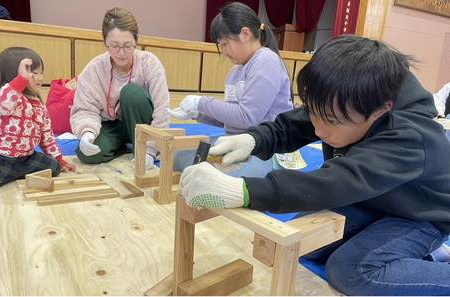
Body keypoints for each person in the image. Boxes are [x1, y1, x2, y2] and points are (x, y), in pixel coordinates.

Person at [179, 35, 450, 295]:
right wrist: (255, 139)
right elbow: (299, 122)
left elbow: (340, 180)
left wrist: (245, 191)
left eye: (332, 121)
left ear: (380, 112)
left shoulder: (410, 136)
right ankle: (404, 251)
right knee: (299, 240)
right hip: (370, 199)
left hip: (419, 215)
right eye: (314, 112)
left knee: (351, 271)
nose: (320, 130)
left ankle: (430, 259)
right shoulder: (347, 99)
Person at [168, 2, 294, 177]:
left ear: (245, 34)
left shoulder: (266, 61)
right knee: (179, 158)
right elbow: (229, 120)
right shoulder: (236, 71)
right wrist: (198, 114)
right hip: (235, 144)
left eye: (225, 43)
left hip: (264, 150)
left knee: (210, 178)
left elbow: (246, 118)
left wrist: (202, 102)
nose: (224, 51)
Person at [0, 47, 76, 196]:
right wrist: (21, 81)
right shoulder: (9, 99)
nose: (40, 78)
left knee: (53, 167)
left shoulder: (40, 106)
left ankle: (11, 174)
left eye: (41, 72)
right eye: (33, 74)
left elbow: (47, 138)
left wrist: (60, 160)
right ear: (15, 76)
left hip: (26, 159)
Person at [70, 7, 170, 170]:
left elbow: (162, 109)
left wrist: (151, 149)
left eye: (128, 46)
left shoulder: (149, 63)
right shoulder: (94, 69)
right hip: (113, 126)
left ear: (136, 42)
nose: (121, 53)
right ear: (105, 41)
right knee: (87, 154)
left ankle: (141, 146)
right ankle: (127, 145)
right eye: (114, 46)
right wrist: (87, 133)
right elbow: (84, 109)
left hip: (143, 125)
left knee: (131, 92)